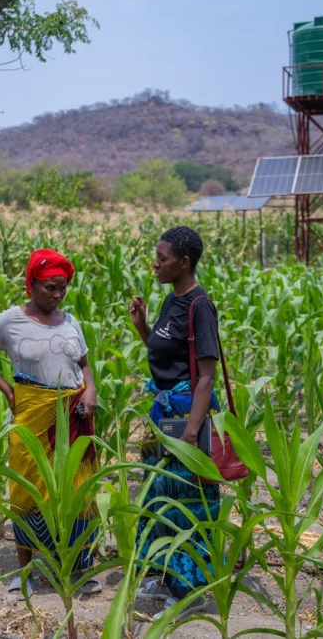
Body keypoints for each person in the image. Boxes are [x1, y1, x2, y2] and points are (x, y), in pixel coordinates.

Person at [0, 248, 102, 599]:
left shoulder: (70, 322)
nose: (57, 295)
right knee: (27, 486)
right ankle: (25, 570)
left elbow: (84, 365)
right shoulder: (10, 321)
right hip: (32, 412)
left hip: (73, 413)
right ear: (32, 285)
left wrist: (91, 391)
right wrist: (7, 390)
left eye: (63, 288)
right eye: (50, 287)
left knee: (77, 485)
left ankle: (79, 566)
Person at [129, 226, 221, 620]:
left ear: (184, 263)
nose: (156, 263)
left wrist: (189, 432)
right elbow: (165, 353)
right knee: (159, 497)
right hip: (165, 412)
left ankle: (193, 592)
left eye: (163, 258)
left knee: (189, 505)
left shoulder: (200, 306)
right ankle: (166, 576)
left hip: (187, 416)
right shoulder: (172, 300)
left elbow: (206, 376)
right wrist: (142, 327)